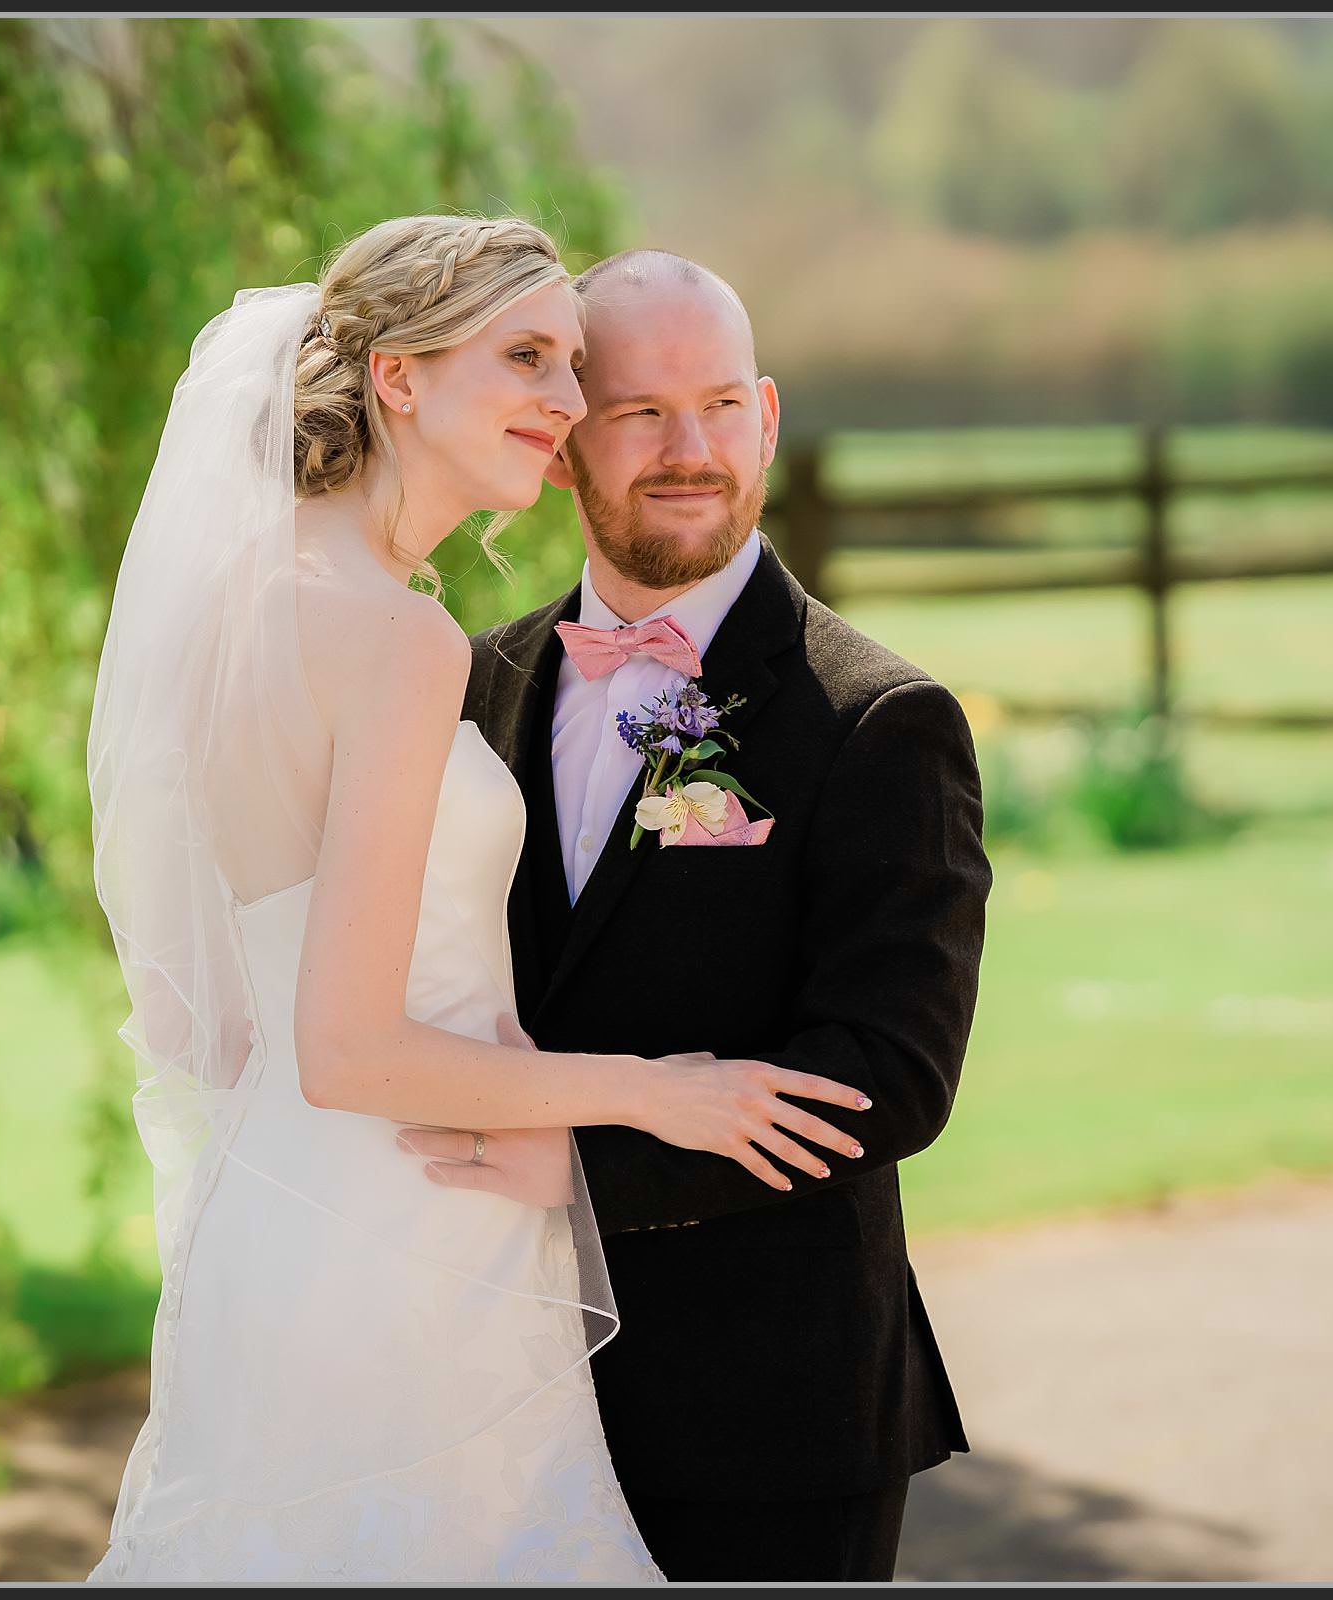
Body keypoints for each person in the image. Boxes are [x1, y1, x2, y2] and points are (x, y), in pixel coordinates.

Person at [83, 217, 874, 1582]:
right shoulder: (395, 637)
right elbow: (355, 1053)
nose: (566, 407)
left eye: (573, 367)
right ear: (398, 377)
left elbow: (206, 1023)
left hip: (275, 1230)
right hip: (412, 1242)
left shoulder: (241, 601)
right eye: (528, 358)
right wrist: (648, 1090)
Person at [411, 249, 992, 1581]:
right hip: (496, 1399)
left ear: (771, 417)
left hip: (768, 1422)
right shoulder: (469, 685)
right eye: (641, 412)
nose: (692, 449)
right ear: (562, 442)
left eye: (723, 405)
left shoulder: (877, 721)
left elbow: (889, 1076)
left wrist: (576, 1176)